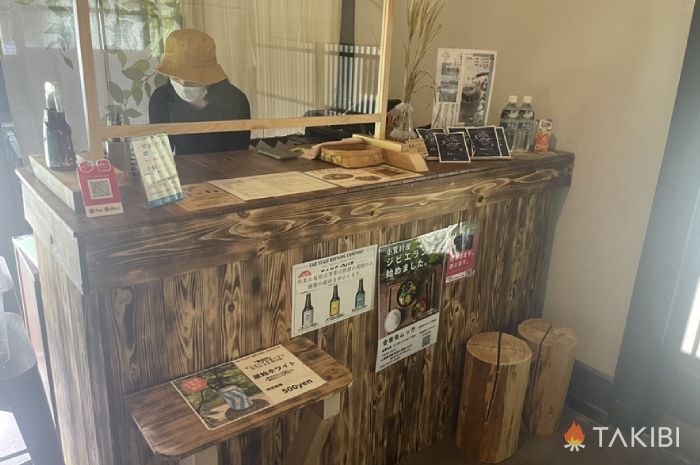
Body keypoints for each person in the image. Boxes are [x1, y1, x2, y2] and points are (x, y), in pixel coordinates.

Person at [149, 29, 251, 155]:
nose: (184, 83)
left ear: (208, 76)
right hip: (183, 166)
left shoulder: (235, 100)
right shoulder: (161, 99)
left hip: (230, 165)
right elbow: (162, 153)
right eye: (176, 77)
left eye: (193, 80)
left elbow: (240, 152)